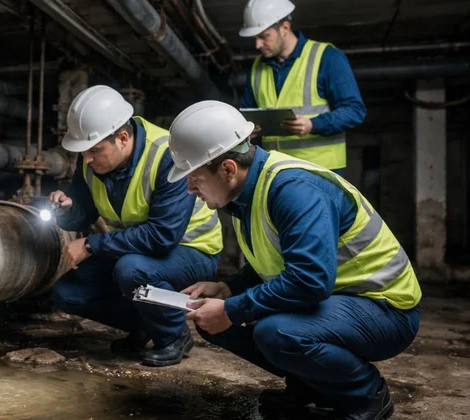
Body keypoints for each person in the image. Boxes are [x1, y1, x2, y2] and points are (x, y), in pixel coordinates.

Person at [167, 100, 421, 420]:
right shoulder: (246, 194)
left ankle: (366, 395)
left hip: (385, 310)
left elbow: (309, 281)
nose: (190, 189)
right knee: (213, 323)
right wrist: (227, 289)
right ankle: (314, 385)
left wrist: (231, 309)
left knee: (276, 331)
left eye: (195, 177)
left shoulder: (293, 190)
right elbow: (274, 262)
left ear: (228, 168)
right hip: (338, 301)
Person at [48, 85, 223, 367]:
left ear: (122, 138)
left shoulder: (167, 155)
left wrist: (91, 244)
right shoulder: (90, 160)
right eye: (83, 152)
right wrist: (67, 209)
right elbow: (83, 213)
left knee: (130, 270)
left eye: (94, 150)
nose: (87, 159)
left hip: (191, 250)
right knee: (68, 293)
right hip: (134, 250)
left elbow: (162, 237)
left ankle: (174, 336)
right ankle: (146, 325)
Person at [239, 0, 366, 173]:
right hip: (275, 170)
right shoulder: (257, 67)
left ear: (285, 28)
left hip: (321, 171)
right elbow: (247, 114)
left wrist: (313, 124)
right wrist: (248, 128)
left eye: (264, 36)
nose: (257, 45)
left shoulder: (327, 57)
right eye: (255, 38)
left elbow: (354, 110)